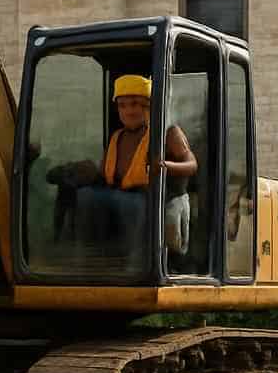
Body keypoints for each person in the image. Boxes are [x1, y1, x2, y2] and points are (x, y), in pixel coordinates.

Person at [74, 74, 198, 268]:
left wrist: (166, 166)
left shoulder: (169, 133)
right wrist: (85, 171)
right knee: (86, 196)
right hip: (122, 196)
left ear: (149, 106)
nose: (128, 111)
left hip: (155, 200)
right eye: (122, 106)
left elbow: (192, 164)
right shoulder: (117, 137)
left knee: (133, 204)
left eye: (135, 104)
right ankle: (90, 262)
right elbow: (106, 173)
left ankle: (136, 265)